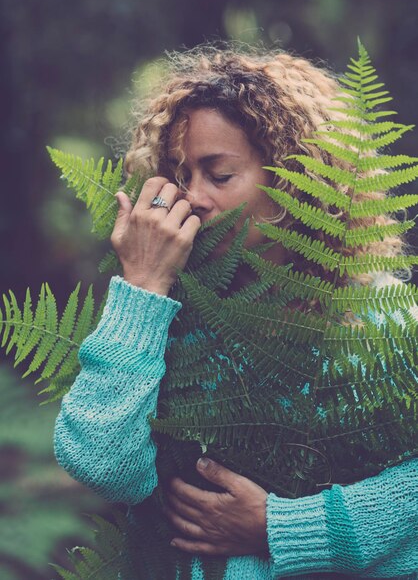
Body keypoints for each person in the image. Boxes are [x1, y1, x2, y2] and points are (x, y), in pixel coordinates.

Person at [54, 45, 417, 579]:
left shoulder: (382, 323)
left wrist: (286, 527)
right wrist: (144, 285)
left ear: (296, 180)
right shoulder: (166, 320)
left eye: (218, 175)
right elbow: (103, 464)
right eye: (180, 176)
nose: (193, 197)